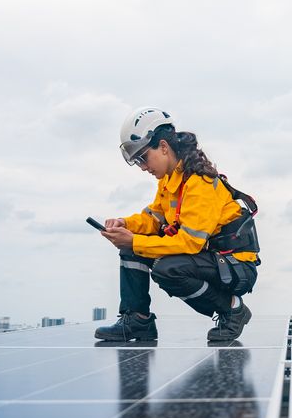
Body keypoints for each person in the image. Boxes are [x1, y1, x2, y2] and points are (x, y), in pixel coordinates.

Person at [95, 107, 260, 342]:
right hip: (210, 259)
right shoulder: (170, 181)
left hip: (235, 265)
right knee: (131, 249)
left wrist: (134, 239)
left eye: (143, 157)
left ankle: (232, 309)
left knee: (167, 269)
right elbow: (153, 219)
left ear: (163, 147)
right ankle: (138, 320)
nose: (143, 167)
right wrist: (125, 224)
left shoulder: (200, 182)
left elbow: (191, 243)